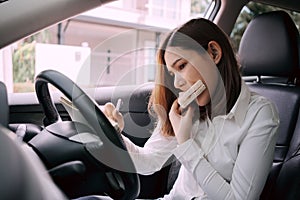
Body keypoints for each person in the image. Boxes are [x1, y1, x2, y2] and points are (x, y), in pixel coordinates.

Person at [103, 18, 279, 199]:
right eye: (172, 74)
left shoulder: (260, 113)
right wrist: (112, 132)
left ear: (214, 53)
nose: (177, 83)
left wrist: (186, 143)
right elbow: (150, 162)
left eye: (182, 66)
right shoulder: (188, 110)